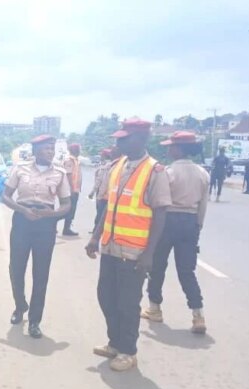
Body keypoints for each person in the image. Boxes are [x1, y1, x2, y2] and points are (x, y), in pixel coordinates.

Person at [85, 119, 172, 371]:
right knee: (106, 296)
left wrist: (149, 254)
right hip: (111, 247)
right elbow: (109, 206)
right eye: (118, 138)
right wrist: (94, 236)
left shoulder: (155, 171)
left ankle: (127, 351)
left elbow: (160, 214)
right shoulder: (119, 165)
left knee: (128, 303)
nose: (118, 142)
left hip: (134, 252)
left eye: (124, 138)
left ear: (142, 139)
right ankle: (114, 342)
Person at [3, 135, 71, 338]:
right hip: (22, 220)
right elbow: (6, 196)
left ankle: (35, 320)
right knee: (16, 268)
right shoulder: (20, 168)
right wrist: (22, 211)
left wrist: (49, 215)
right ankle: (19, 305)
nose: (50, 152)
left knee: (41, 273)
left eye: (52, 148)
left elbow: (67, 204)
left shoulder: (59, 172)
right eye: (46, 148)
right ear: (35, 150)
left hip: (45, 223)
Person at [141, 132, 209, 334]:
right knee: (187, 271)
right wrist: (197, 227)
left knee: (157, 267)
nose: (168, 149)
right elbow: (203, 206)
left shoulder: (167, 172)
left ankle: (155, 308)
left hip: (167, 221)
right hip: (190, 222)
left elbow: (157, 202)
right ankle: (198, 315)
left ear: (179, 149)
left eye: (171, 146)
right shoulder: (202, 173)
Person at [88, 148, 114, 231]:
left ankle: (97, 231)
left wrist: (93, 192)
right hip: (108, 194)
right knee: (103, 214)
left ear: (104, 155)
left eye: (101, 154)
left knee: (100, 214)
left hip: (103, 194)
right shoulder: (113, 165)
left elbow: (100, 181)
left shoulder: (105, 166)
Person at [62, 143, 83, 236]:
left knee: (71, 210)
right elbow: (68, 174)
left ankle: (67, 228)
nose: (80, 151)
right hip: (71, 189)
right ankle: (53, 222)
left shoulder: (76, 160)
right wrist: (71, 189)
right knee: (68, 209)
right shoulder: (69, 160)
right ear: (75, 150)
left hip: (75, 189)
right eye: (78, 149)